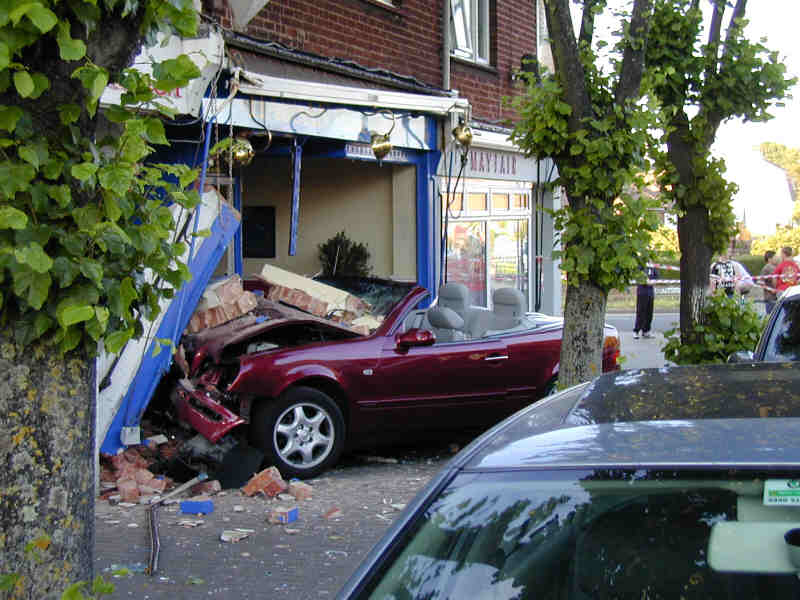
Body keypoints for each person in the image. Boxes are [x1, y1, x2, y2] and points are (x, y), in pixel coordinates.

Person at [633, 265, 658, 339]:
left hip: (650, 293)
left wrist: (653, 281)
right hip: (642, 292)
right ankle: (636, 331)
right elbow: (638, 274)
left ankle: (646, 331)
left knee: (649, 313)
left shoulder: (653, 266)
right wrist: (645, 280)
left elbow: (657, 276)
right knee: (640, 312)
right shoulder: (641, 265)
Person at [760, 250, 779, 314]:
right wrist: (771, 290)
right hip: (770, 298)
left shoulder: (776, 267)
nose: (777, 258)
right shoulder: (766, 268)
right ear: (770, 259)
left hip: (777, 297)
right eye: (775, 257)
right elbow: (761, 282)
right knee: (771, 316)